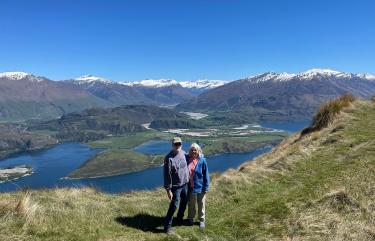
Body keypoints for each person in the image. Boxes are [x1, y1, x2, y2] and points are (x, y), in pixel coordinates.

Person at [163, 137, 189, 234]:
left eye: (179, 144)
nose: (177, 146)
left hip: (183, 184)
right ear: (172, 145)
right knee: (174, 205)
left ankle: (179, 219)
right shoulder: (169, 158)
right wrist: (168, 190)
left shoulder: (183, 152)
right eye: (175, 144)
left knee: (185, 201)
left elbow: (189, 157)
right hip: (175, 186)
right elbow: (166, 175)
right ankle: (167, 227)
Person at [186, 143, 210, 229]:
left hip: (201, 186)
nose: (193, 151)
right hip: (191, 187)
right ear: (190, 151)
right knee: (191, 203)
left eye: (195, 150)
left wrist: (206, 187)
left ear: (198, 151)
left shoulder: (202, 160)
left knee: (201, 203)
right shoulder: (187, 159)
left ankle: (201, 220)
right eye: (192, 150)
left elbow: (206, 174)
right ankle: (191, 218)